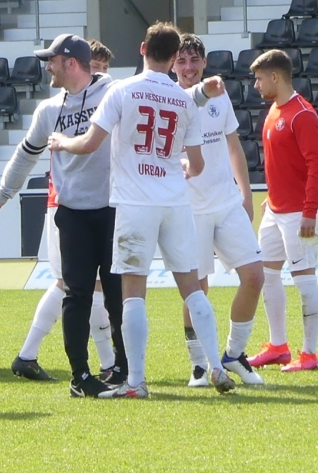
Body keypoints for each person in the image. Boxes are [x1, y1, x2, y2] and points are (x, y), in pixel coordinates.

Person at [49, 21, 232, 399]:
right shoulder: (184, 100)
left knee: (133, 294)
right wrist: (179, 167)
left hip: (135, 203)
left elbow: (89, 143)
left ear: (143, 49)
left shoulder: (122, 90)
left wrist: (62, 142)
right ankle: (215, 365)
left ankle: (136, 381)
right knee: (193, 289)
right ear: (174, 57)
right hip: (175, 201)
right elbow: (196, 165)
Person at [0, 35, 117, 397]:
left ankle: (115, 367)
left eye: (51, 61)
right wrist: (2, 195)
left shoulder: (113, 93)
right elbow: (25, 155)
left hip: (112, 209)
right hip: (68, 210)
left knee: (105, 291)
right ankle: (90, 370)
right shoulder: (48, 109)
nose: (47, 68)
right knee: (74, 290)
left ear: (70, 63)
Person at [174, 36, 265, 387]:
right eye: (182, 61)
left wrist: (246, 193)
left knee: (254, 276)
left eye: (194, 60)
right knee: (197, 289)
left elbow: (233, 146)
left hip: (226, 202)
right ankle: (199, 364)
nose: (188, 67)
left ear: (204, 62)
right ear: (172, 65)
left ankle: (233, 354)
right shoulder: (169, 99)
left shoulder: (218, 94)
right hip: (189, 209)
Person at [248, 49, 318, 373]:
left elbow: (317, 165)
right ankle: (278, 346)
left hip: (298, 213)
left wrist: (310, 211)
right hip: (275, 210)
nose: (256, 85)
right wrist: (271, 197)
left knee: (304, 280)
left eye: (259, 79)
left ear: (275, 77)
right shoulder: (274, 111)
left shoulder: (301, 114)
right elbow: (281, 163)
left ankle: (309, 354)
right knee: (266, 275)